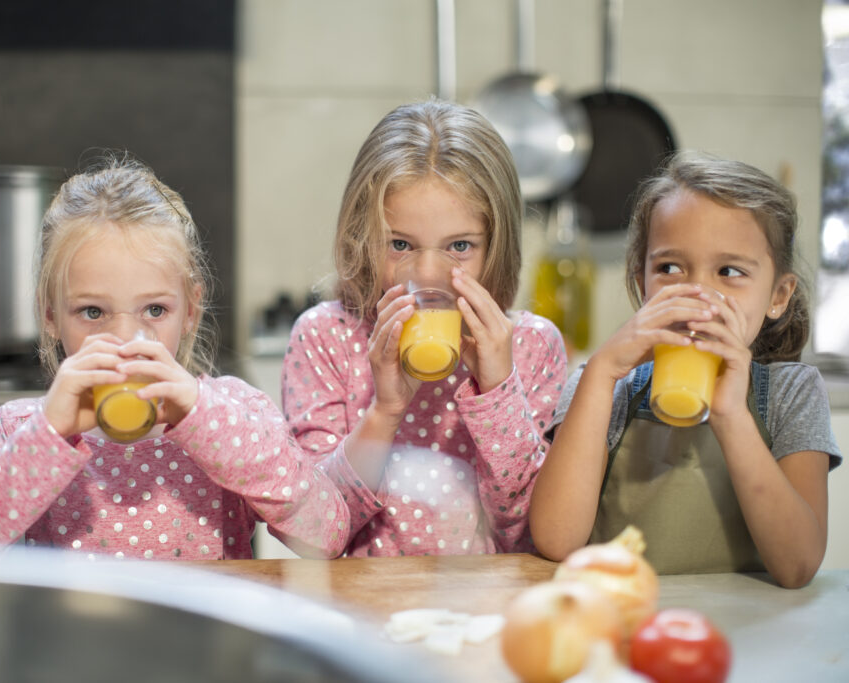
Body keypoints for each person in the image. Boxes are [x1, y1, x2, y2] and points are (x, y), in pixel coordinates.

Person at [0, 156, 349, 560]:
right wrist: (48, 436)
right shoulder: (23, 429)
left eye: (154, 310)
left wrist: (204, 418)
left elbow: (326, 534)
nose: (124, 339)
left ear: (190, 311)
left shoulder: (234, 414)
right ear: (50, 316)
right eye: (92, 312)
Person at [530, 151, 842, 588]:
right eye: (670, 268)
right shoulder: (602, 386)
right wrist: (600, 375)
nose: (697, 294)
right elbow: (556, 540)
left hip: (749, 637)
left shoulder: (793, 393)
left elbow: (797, 567)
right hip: (623, 620)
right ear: (643, 283)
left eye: (729, 271)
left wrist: (731, 414)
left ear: (778, 295)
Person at [282, 99, 567, 557]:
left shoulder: (531, 345)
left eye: (459, 246)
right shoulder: (326, 338)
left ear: (497, 247)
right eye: (400, 244)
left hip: (484, 612)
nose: (429, 274)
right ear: (361, 238)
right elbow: (315, 534)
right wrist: (385, 411)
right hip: (365, 613)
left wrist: (498, 390)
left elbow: (529, 532)